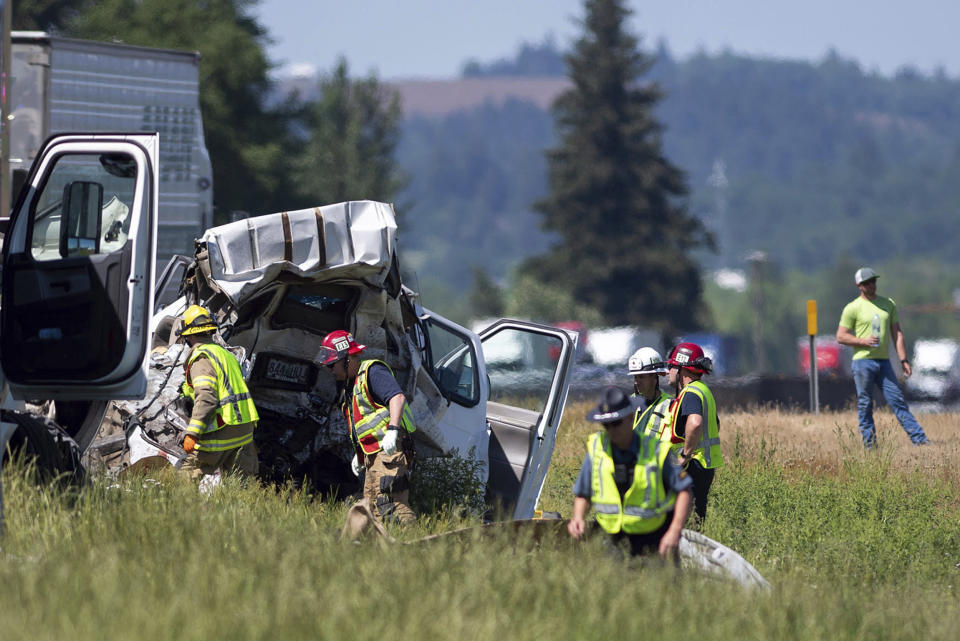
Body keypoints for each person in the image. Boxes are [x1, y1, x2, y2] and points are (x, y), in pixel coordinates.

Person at [567, 386, 692, 560]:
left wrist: (675, 531)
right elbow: (583, 493)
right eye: (606, 425)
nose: (611, 430)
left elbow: (684, 491)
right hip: (611, 541)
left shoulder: (658, 450)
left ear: (631, 417)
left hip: (654, 541)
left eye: (616, 423)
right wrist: (578, 517)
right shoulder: (596, 449)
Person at [319, 329, 417, 524]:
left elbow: (397, 398)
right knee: (372, 509)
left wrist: (393, 431)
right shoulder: (351, 384)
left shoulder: (372, 372)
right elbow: (363, 425)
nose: (330, 370)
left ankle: (412, 547)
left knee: (391, 507)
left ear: (347, 359)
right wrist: (360, 455)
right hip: (372, 456)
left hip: (389, 452)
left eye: (332, 364)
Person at [836, 267, 929, 448]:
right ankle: (870, 445)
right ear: (859, 285)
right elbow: (841, 336)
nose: (872, 285)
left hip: (884, 362)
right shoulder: (852, 308)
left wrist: (904, 360)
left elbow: (897, 334)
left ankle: (920, 440)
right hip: (863, 362)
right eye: (868, 282)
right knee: (865, 404)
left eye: (874, 281)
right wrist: (863, 341)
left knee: (897, 401)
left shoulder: (888, 304)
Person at [177, 304, 259, 480]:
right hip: (244, 432)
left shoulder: (201, 358)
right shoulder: (225, 354)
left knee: (183, 481)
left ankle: (175, 507)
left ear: (188, 335)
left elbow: (207, 397)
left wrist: (192, 433)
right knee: (241, 489)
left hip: (221, 432)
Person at [665, 342, 723, 524]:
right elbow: (716, 424)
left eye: (672, 366)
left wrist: (685, 454)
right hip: (704, 466)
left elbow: (696, 423)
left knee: (682, 518)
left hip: (693, 465)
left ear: (682, 369)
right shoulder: (704, 391)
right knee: (697, 518)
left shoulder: (690, 393)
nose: (669, 371)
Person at [627, 347, 674, 444]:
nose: (636, 382)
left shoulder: (670, 405)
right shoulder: (628, 402)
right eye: (635, 377)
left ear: (654, 377)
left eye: (641, 377)